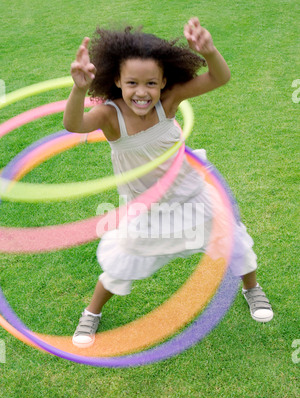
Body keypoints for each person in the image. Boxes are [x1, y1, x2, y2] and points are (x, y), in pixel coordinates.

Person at [63, 18, 273, 348]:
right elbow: (73, 125)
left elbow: (220, 77)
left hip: (191, 194)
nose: (141, 92)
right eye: (132, 83)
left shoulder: (168, 103)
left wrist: (210, 51)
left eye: (151, 83)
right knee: (124, 258)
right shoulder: (109, 116)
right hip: (145, 207)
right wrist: (78, 88)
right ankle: (92, 313)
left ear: (164, 82)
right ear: (117, 80)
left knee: (232, 237)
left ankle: (252, 289)